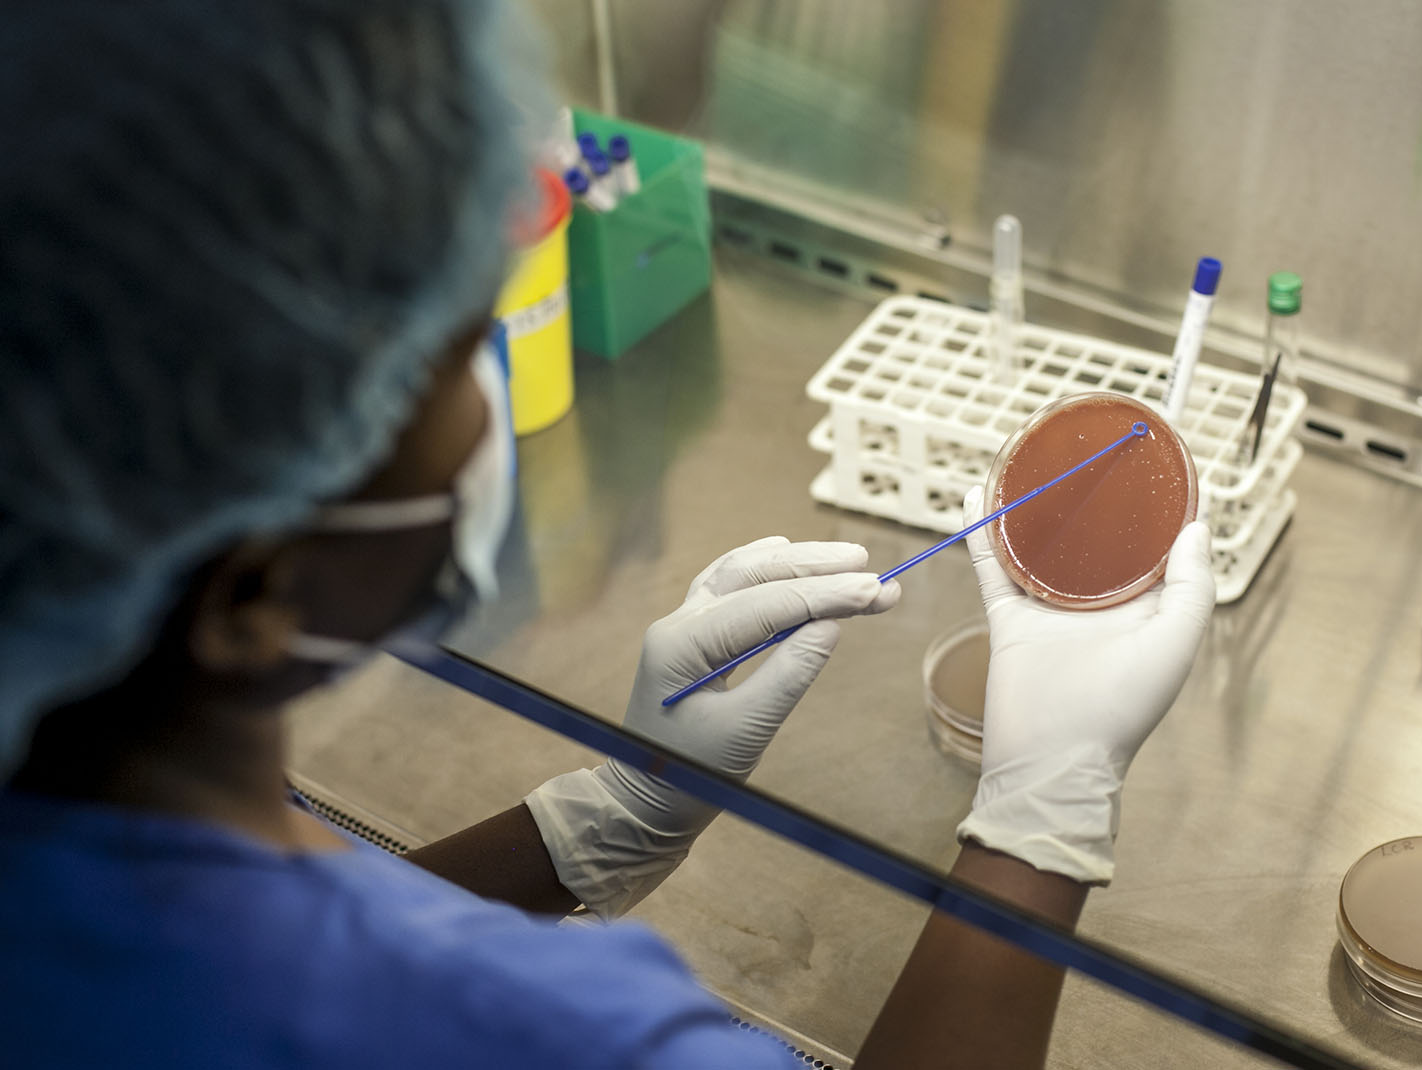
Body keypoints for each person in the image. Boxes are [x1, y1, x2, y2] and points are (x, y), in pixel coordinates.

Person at [0, 2, 1215, 1067]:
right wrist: (1036, 827)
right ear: (251, 595)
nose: (488, 407)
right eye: (451, 357)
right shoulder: (561, 1034)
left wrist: (596, 820)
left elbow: (255, 937)